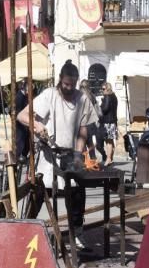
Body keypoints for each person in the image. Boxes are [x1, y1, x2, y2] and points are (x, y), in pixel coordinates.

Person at [17, 60, 99, 252]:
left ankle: (77, 234)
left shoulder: (82, 99)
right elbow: (22, 115)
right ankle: (23, 234)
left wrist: (79, 155)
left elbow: (83, 129)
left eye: (72, 85)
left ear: (77, 82)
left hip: (71, 155)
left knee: (78, 194)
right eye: (65, 85)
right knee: (39, 194)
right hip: (48, 155)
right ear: (60, 80)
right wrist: (37, 125)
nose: (69, 89)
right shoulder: (49, 95)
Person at [79, 80, 104, 163]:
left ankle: (83, 163)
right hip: (90, 123)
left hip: (81, 123)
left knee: (82, 143)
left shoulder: (79, 96)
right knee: (90, 143)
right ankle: (93, 161)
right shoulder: (92, 96)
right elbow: (98, 111)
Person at [99, 82, 119, 164]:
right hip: (113, 121)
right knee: (111, 141)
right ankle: (111, 158)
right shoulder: (114, 96)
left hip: (108, 121)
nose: (102, 90)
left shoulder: (107, 97)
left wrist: (101, 105)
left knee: (108, 141)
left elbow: (105, 109)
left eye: (103, 89)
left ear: (107, 88)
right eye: (102, 89)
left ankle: (108, 159)